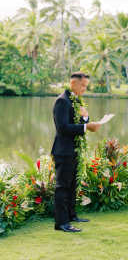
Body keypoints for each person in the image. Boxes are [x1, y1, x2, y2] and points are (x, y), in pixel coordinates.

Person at [51, 72, 101, 232]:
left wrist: (86, 119)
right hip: (63, 151)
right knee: (62, 187)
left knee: (72, 185)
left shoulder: (75, 101)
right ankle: (61, 223)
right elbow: (63, 128)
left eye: (86, 86)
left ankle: (72, 215)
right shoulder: (62, 101)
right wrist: (87, 127)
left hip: (73, 149)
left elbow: (77, 123)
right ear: (73, 83)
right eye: (83, 85)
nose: (85, 89)